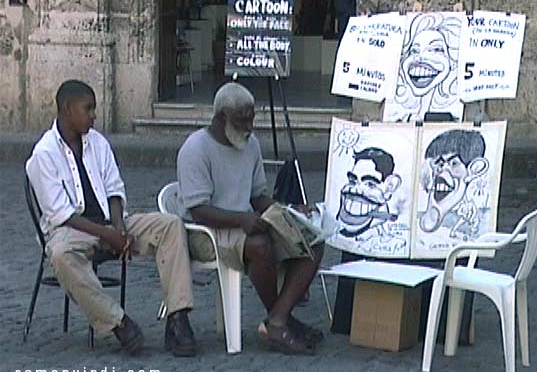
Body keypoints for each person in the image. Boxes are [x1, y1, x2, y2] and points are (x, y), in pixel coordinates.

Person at [26, 80, 197, 357]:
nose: (94, 115)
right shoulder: (44, 154)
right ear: (68, 110)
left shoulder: (97, 142)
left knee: (170, 225)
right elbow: (62, 214)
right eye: (88, 109)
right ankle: (119, 322)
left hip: (112, 224)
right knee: (59, 255)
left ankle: (178, 318)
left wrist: (119, 228)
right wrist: (109, 236)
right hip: (71, 230)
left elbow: (114, 189)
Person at [177, 82, 324, 355]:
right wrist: (242, 220)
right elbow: (198, 210)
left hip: (242, 225)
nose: (250, 126)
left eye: (252, 118)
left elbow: (258, 196)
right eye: (242, 120)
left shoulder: (250, 144)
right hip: (205, 232)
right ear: (221, 118)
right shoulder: (195, 149)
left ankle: (278, 319)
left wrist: (290, 211)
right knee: (260, 245)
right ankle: (281, 321)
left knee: (312, 241)